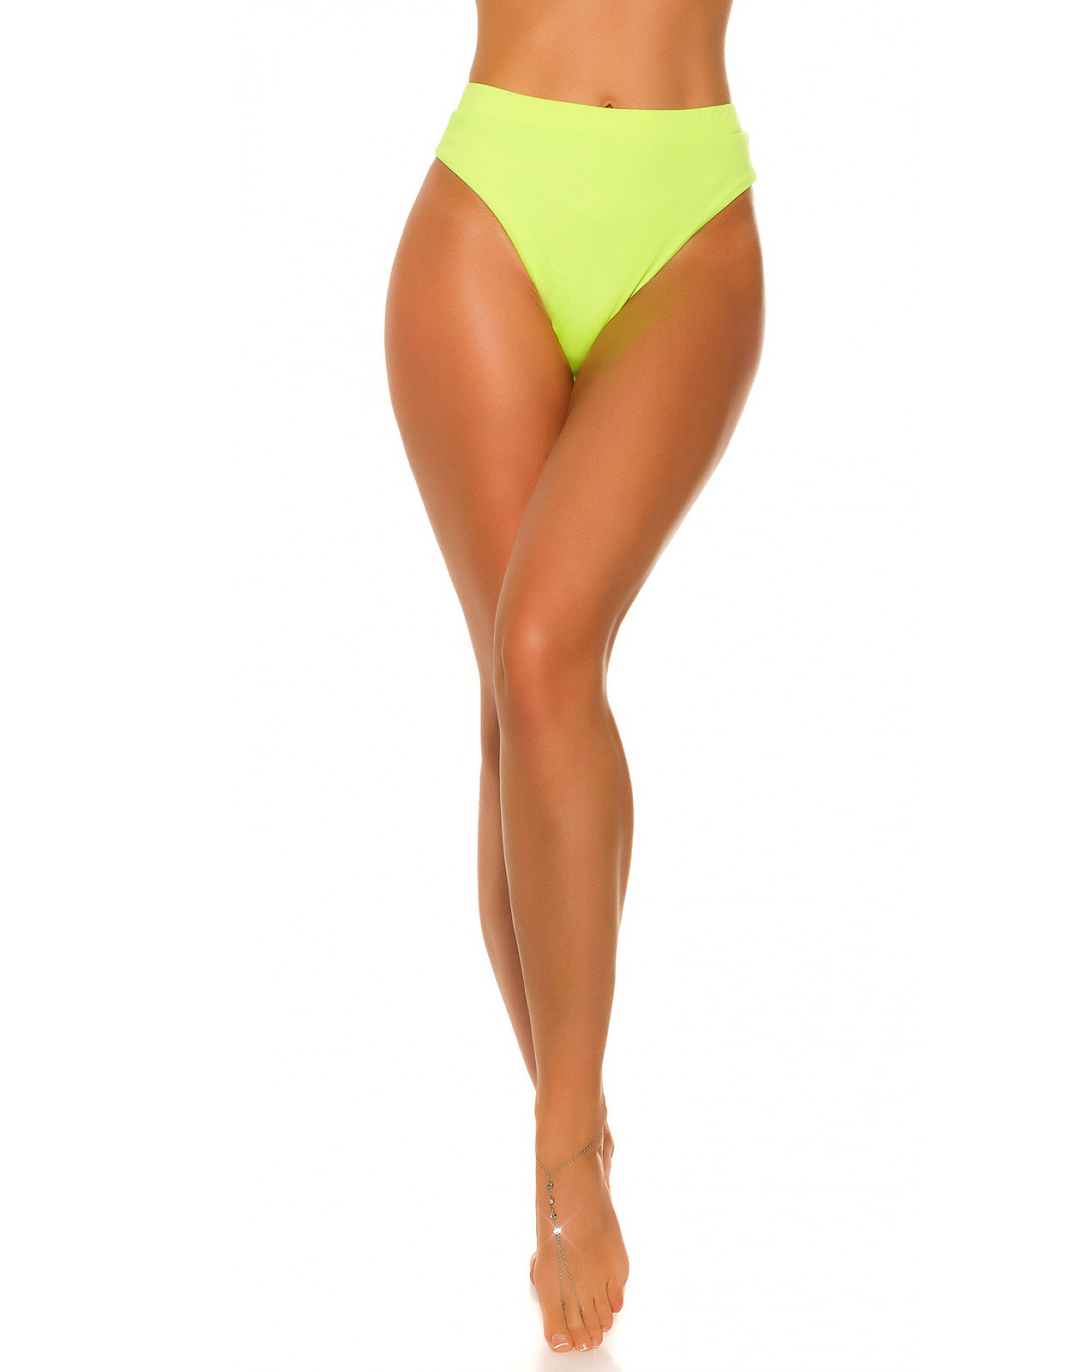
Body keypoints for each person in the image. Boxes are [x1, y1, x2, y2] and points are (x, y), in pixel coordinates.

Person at [384, 0, 764, 1353]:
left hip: (688, 223)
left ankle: (568, 1134)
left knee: (547, 648)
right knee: (521, 698)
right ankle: (573, 1142)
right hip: (489, 210)